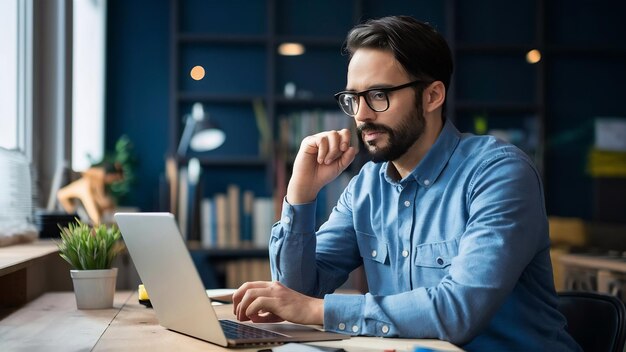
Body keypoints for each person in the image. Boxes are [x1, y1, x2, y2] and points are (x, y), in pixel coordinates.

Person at [232, 15, 581, 351]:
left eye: (379, 95)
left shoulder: (499, 174)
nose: (362, 115)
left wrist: (315, 311)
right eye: (353, 98)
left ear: (432, 96)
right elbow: (296, 291)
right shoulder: (367, 187)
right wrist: (301, 193)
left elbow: (458, 311)